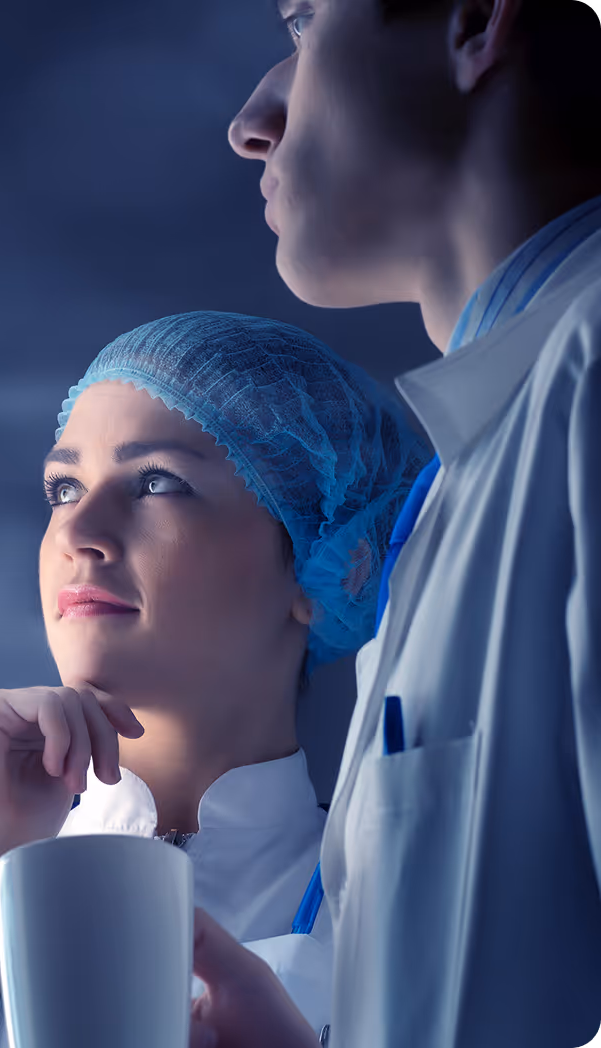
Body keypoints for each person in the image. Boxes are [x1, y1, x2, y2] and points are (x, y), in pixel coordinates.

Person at [0, 312, 428, 1048]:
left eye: (156, 482)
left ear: (335, 559)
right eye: (63, 488)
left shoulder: (411, 912)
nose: (80, 534)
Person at [197, 1, 601, 1046]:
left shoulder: (587, 384)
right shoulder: (468, 482)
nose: (253, 117)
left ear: (473, 22)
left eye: (302, 24)